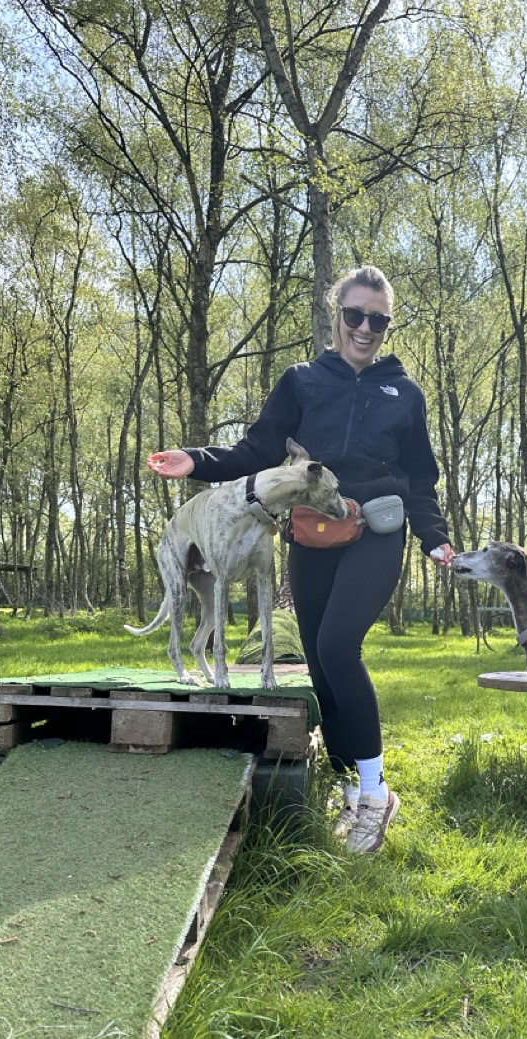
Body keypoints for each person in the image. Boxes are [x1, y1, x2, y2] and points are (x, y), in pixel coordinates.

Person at [147, 265, 455, 853]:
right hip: (312, 533)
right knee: (317, 658)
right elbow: (259, 450)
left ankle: (374, 791)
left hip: (376, 528)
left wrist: (433, 535)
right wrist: (197, 459)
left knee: (340, 645)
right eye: (356, 315)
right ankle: (346, 782)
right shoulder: (303, 380)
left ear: (388, 325)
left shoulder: (405, 392)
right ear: (336, 314)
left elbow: (421, 477)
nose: (366, 328)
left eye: (380, 319)